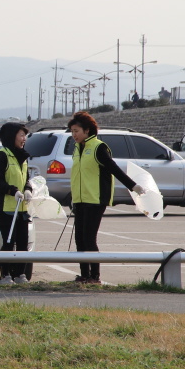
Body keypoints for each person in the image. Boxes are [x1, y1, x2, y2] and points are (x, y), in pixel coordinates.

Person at [67, 111, 146, 284]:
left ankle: (95, 277)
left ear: (87, 130)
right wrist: (72, 197)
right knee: (79, 239)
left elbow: (114, 169)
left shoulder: (98, 147)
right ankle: (84, 275)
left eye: (76, 131)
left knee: (89, 238)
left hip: (96, 200)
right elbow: (78, 175)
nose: (74, 135)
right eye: (72, 131)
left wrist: (133, 186)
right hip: (80, 200)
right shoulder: (77, 148)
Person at [0, 122, 33, 285]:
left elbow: (26, 179)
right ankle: (5, 275)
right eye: (21, 135)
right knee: (9, 241)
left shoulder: (22, 157)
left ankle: (20, 274)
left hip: (21, 208)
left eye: (24, 136)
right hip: (5, 208)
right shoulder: (1, 156)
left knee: (23, 241)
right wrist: (13, 191)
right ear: (11, 136)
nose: (24, 139)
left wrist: (28, 189)